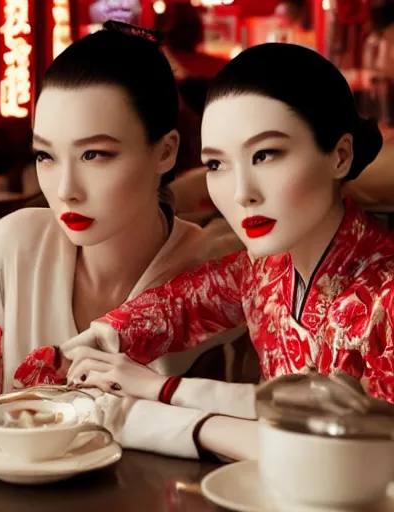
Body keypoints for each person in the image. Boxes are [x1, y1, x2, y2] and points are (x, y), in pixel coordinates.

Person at [0, 22, 247, 455]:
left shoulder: (215, 276)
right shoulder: (13, 247)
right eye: (46, 155)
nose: (66, 187)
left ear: (165, 151)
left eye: (94, 154)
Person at [62, 43, 392, 461]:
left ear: (339, 156)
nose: (241, 194)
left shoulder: (388, 294)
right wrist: (101, 338)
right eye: (217, 164)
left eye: (265, 154)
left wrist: (162, 392)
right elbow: (183, 304)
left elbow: (362, 453)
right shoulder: (264, 271)